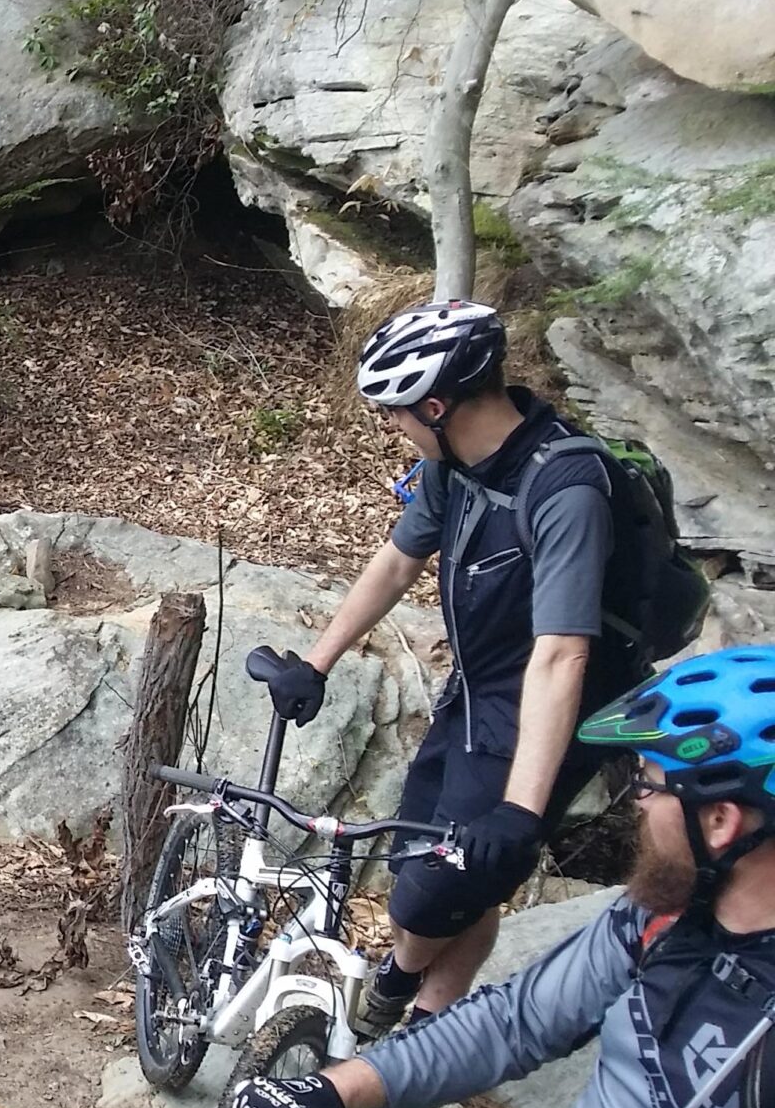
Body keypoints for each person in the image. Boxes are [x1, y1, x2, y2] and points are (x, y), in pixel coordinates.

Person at [226, 646, 775, 1108]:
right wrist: (339, 1087)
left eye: (646, 784)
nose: (636, 802)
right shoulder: (657, 918)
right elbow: (515, 1023)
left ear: (721, 821)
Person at [260, 299, 648, 1038]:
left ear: (436, 405)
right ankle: (424, 1019)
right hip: (475, 688)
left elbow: (563, 651)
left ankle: (407, 993)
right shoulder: (453, 464)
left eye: (395, 412)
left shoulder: (565, 489)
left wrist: (522, 810)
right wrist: (317, 662)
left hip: (548, 706)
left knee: (438, 890)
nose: (390, 427)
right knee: (425, 864)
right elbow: (400, 560)